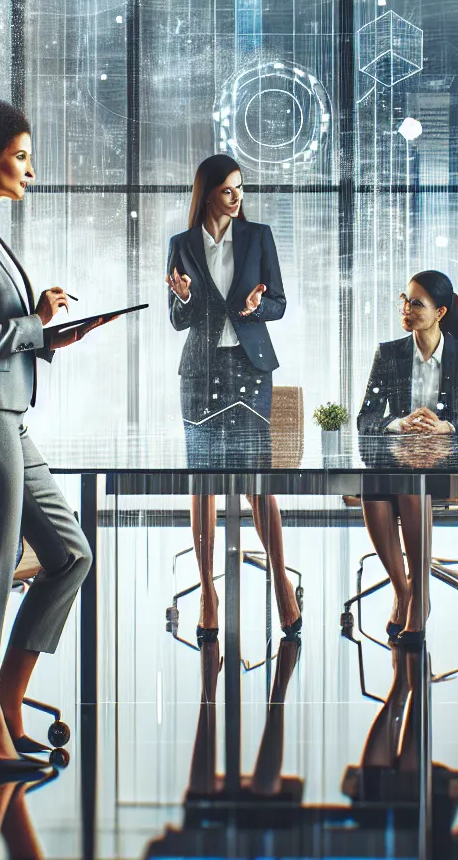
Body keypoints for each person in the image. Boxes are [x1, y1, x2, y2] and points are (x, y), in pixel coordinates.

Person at [0, 99, 111, 775]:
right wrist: (36, 326)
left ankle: (8, 698)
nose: (31, 168)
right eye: (23, 155)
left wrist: (49, 329)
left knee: (70, 554)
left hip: (5, 410)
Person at [164, 154, 301, 641]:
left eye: (240, 188)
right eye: (228, 190)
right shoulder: (181, 245)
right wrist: (183, 297)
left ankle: (282, 582)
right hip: (199, 373)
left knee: (255, 483)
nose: (237, 197)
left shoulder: (257, 237)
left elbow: (280, 302)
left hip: (248, 369)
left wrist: (256, 305)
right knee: (203, 484)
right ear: (207, 194)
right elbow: (178, 320)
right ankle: (206, 590)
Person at [355, 270, 458, 646]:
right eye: (405, 300)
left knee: (412, 485)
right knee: (374, 487)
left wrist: (445, 428)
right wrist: (398, 424)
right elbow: (366, 417)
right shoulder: (390, 354)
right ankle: (404, 591)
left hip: (446, 462)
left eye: (417, 303)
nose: (406, 309)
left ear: (440, 312)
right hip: (398, 456)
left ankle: (419, 593)